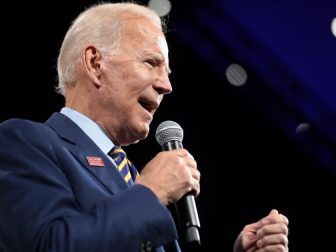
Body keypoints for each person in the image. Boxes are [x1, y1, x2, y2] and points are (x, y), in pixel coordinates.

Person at [0, 2, 289, 252]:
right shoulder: (25, 141)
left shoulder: (135, 181)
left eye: (167, 72)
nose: (167, 85)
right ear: (95, 63)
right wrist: (151, 192)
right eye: (152, 63)